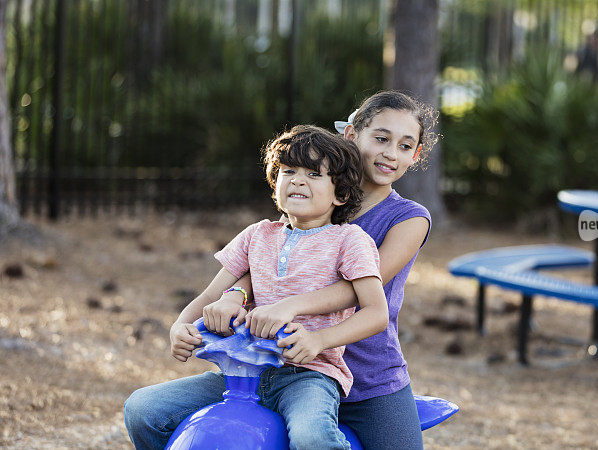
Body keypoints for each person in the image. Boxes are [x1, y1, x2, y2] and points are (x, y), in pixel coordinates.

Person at [124, 90, 438, 449]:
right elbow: (263, 268)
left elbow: (359, 289)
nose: (389, 153)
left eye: (403, 146)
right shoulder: (307, 204)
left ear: (415, 156)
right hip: (267, 364)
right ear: (352, 135)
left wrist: (289, 308)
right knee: (150, 411)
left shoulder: (407, 218)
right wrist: (232, 297)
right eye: (380, 138)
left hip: (367, 378)